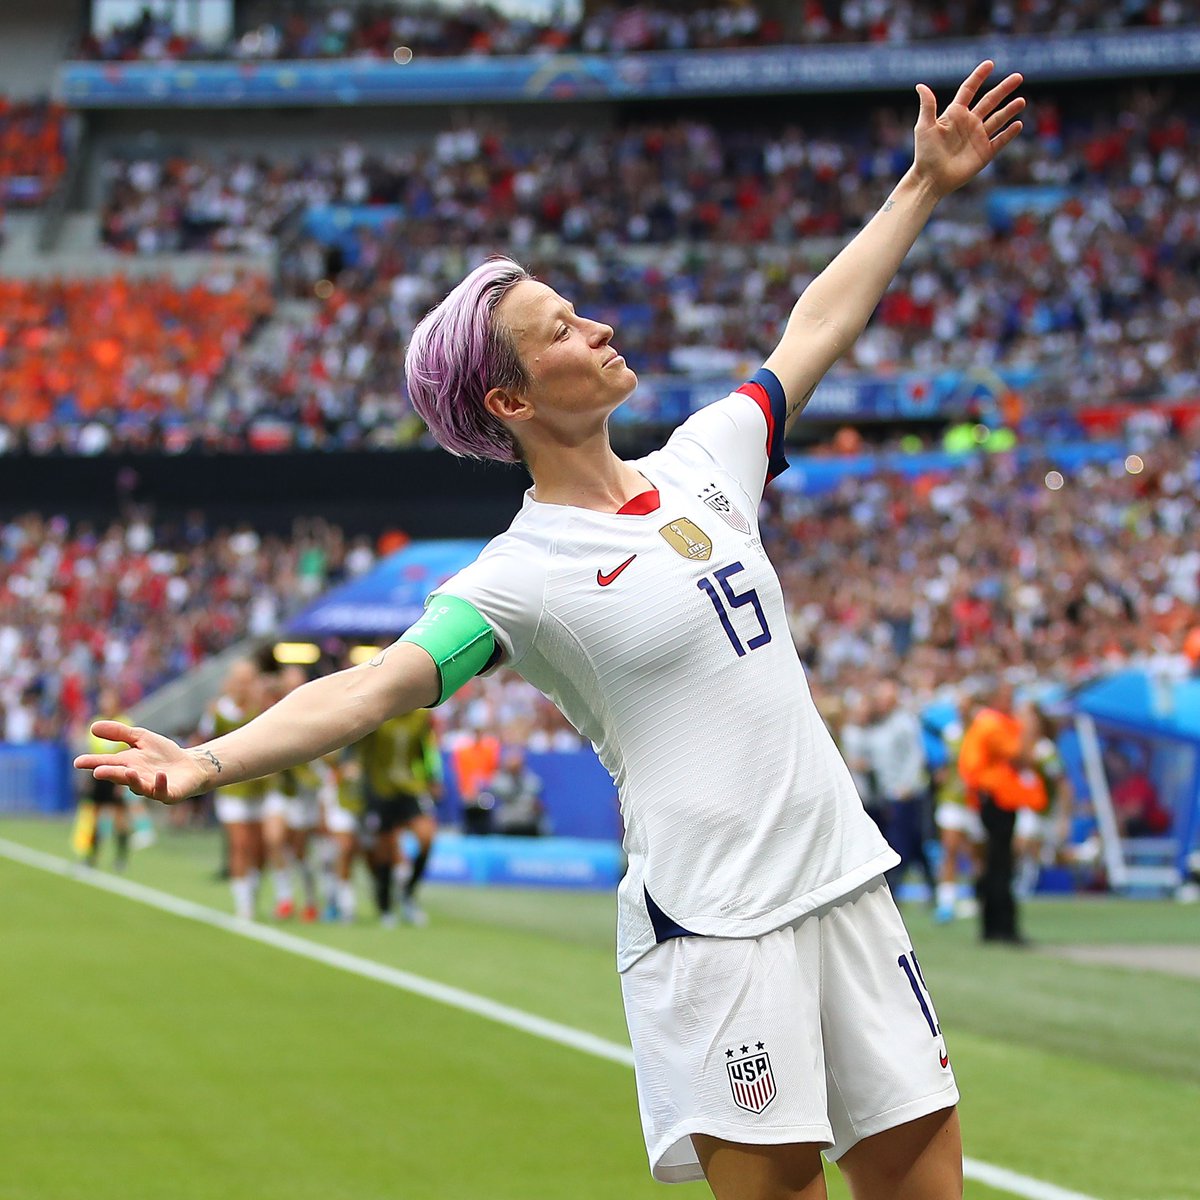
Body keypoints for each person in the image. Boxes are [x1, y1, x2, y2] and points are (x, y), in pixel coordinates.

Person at [76, 61, 1023, 1200]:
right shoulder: (517, 579)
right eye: (565, 329)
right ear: (513, 403)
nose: (602, 327)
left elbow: (816, 321)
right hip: (715, 930)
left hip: (846, 884)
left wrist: (921, 186)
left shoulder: (708, 460)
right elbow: (372, 688)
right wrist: (210, 758)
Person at [957, 679, 1046, 944]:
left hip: (995, 799)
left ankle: (996, 927)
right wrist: (1030, 726)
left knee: (999, 863)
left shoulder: (990, 723)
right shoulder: (993, 724)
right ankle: (1001, 927)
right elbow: (1020, 754)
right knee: (1000, 865)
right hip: (996, 799)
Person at [356, 709, 442, 927]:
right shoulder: (380, 713)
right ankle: (385, 904)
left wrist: (432, 777)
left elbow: (426, 748)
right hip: (381, 789)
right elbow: (360, 748)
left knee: (426, 836)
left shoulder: (421, 717)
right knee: (384, 849)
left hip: (410, 787)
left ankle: (408, 893)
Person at [867, 680, 935, 902]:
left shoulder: (903, 723)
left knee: (900, 841)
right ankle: (932, 887)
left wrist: (907, 785)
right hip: (890, 791)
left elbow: (916, 756)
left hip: (903, 793)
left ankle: (893, 889)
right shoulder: (883, 724)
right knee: (913, 843)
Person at [77, 685, 134, 870]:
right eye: (103, 700)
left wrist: (124, 782)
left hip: (117, 777)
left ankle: (120, 858)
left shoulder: (124, 723)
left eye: (109, 700)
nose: (105, 704)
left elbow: (129, 753)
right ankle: (91, 856)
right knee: (94, 818)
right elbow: (92, 751)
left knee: (119, 819)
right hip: (99, 777)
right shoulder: (96, 723)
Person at [484, 745, 549, 836]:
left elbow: (536, 797)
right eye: (511, 760)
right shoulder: (498, 780)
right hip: (507, 820)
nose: (514, 763)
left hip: (527, 819)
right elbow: (503, 792)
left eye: (516, 760)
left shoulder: (532, 780)